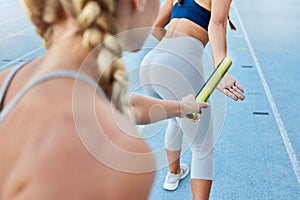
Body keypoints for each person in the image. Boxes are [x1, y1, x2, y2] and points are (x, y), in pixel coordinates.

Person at [0, 0, 211, 198]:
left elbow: (131, 105)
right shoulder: (118, 156)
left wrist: (182, 107)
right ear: (137, 3)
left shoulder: (7, 82)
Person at [140, 0, 245, 199]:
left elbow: (155, 27)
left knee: (178, 117)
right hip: (177, 64)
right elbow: (217, 24)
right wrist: (219, 70)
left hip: (150, 65)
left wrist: (171, 53)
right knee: (203, 147)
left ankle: (174, 173)